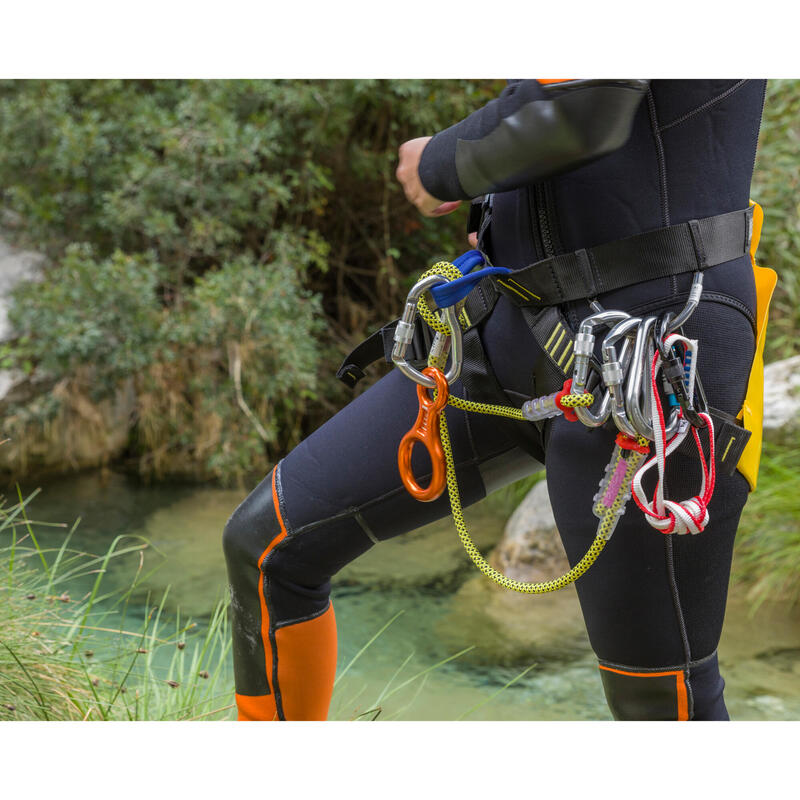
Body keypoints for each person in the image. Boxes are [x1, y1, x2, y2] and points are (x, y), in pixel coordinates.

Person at [222, 79, 768, 721]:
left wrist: (438, 164)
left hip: (654, 352)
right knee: (269, 546)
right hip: (503, 329)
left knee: (658, 696)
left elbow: (582, 109)